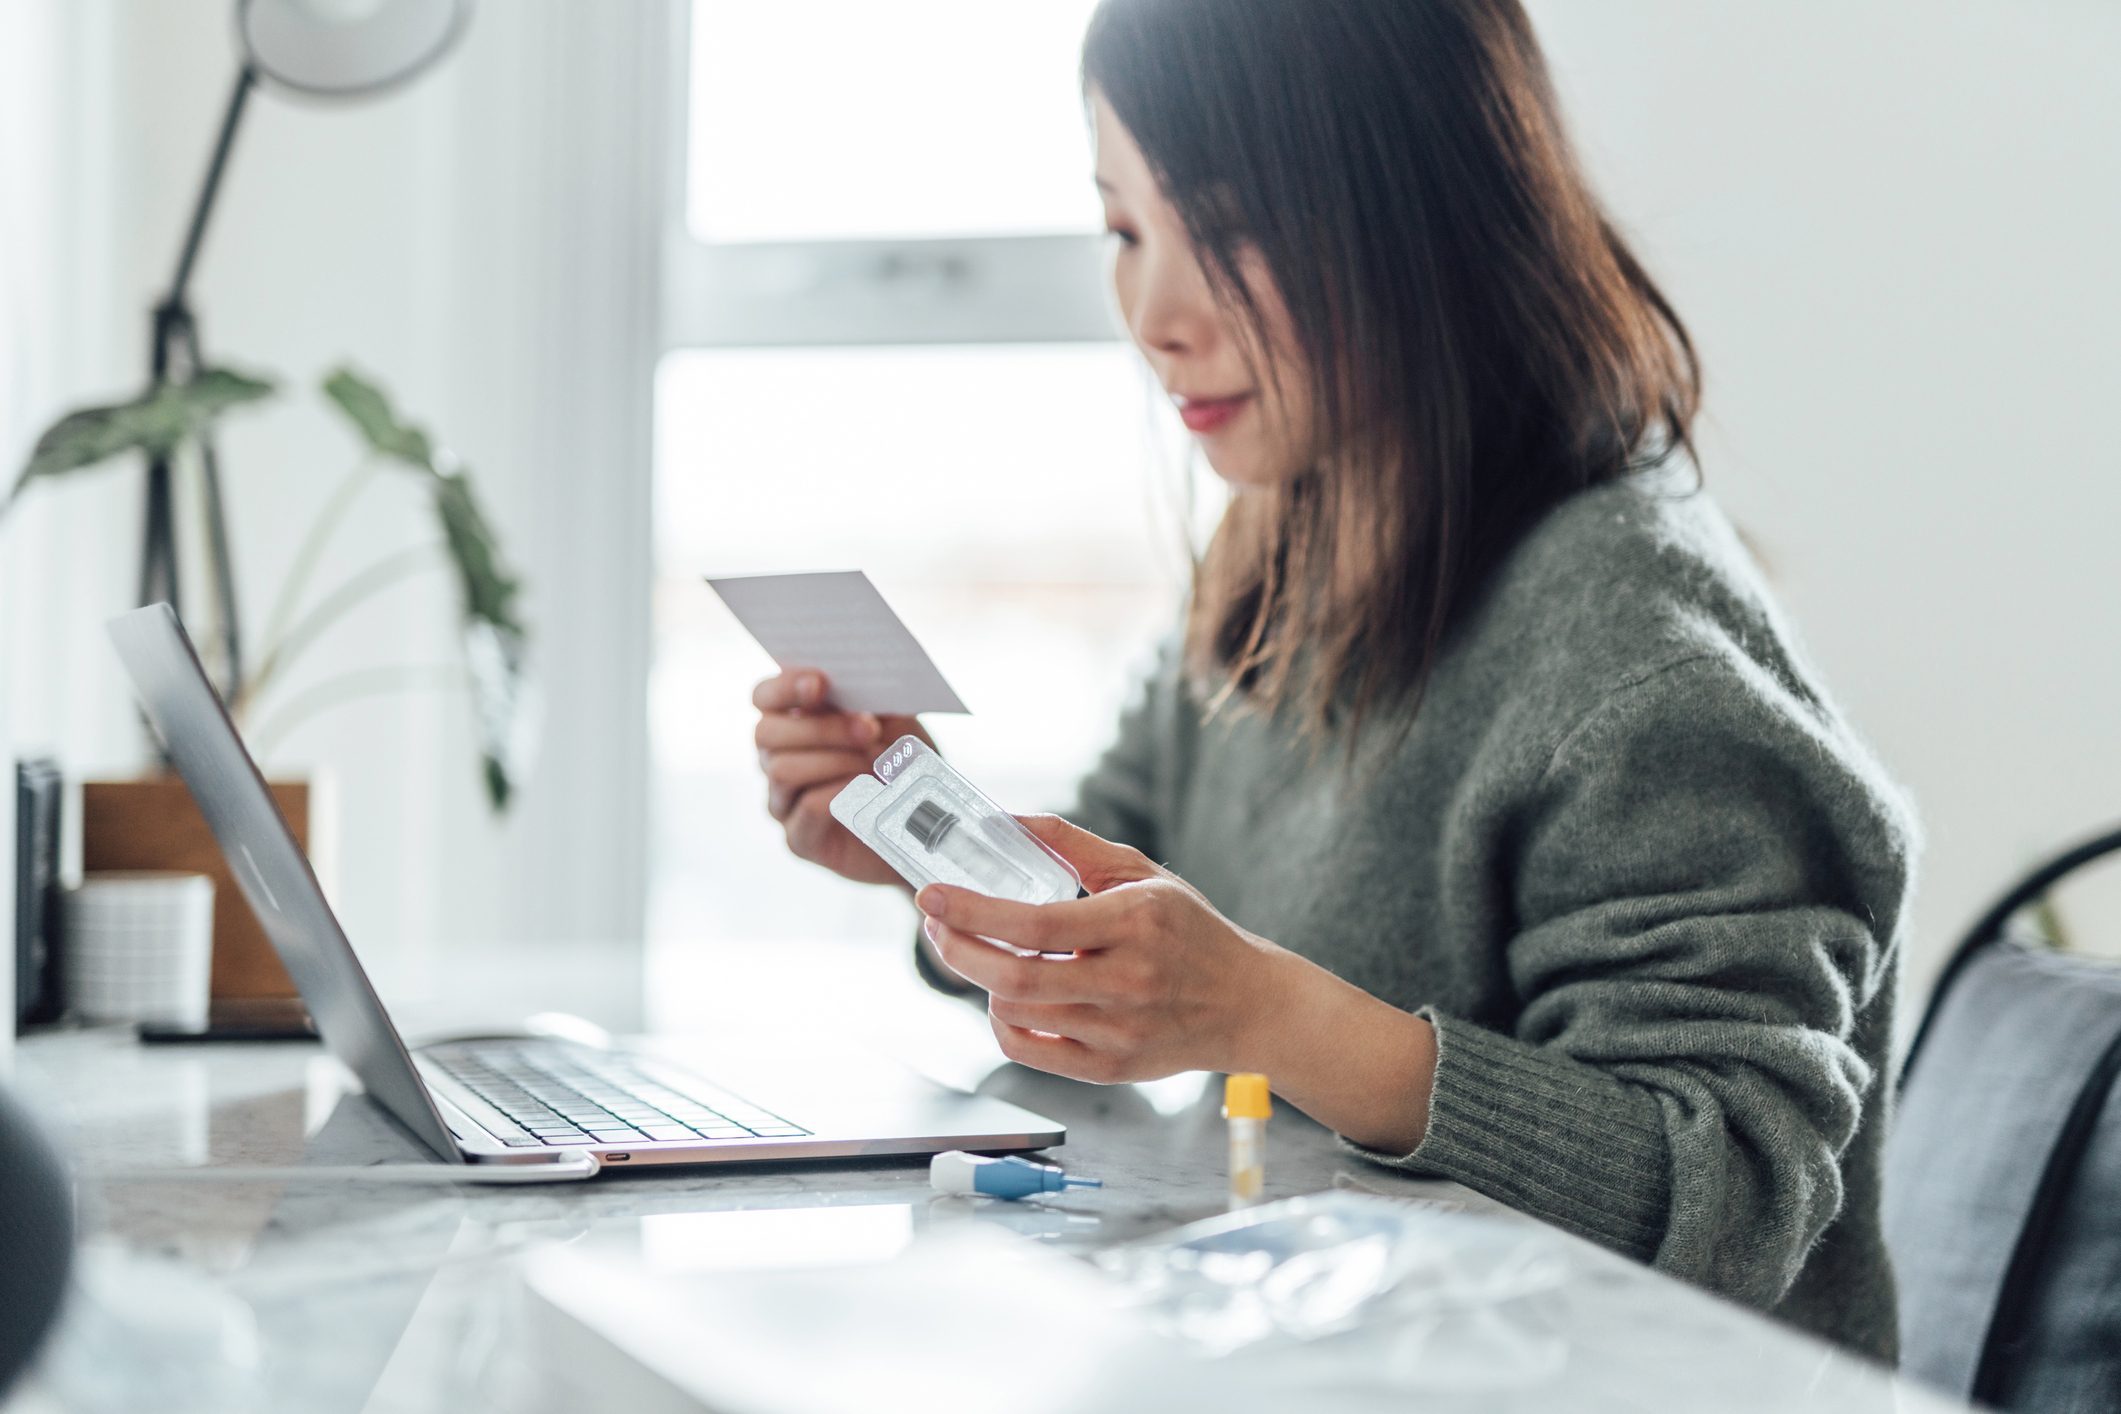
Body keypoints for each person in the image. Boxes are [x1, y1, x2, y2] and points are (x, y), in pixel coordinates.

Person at [749, 0, 1916, 1361]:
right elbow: (1135, 924)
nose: (1156, 316)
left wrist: (1263, 1010)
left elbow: (1727, 1197)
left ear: (1427, 213)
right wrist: (919, 837)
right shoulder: (1289, 543)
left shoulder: (1639, 659)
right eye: (1126, 232)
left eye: (1228, 231)